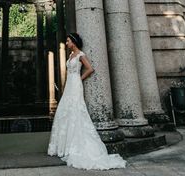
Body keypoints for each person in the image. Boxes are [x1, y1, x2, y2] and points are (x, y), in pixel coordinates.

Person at [47, 32, 126, 170]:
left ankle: (75, 144)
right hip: (69, 85)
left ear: (74, 42)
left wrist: (80, 78)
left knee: (76, 110)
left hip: (76, 84)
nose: (66, 43)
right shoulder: (70, 55)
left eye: (68, 41)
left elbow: (90, 69)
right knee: (65, 110)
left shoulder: (80, 55)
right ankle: (63, 144)